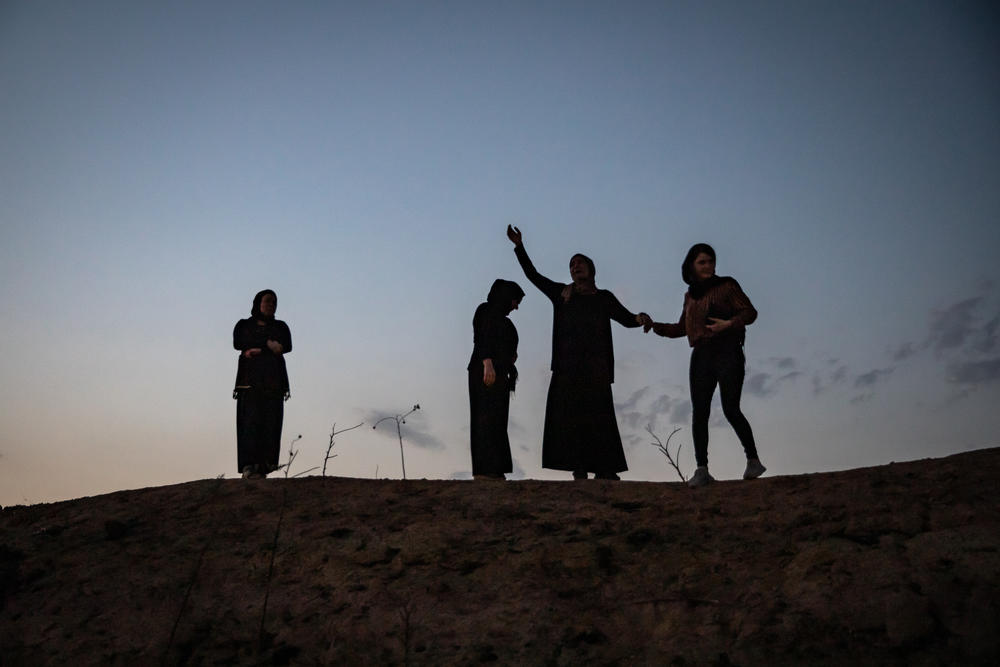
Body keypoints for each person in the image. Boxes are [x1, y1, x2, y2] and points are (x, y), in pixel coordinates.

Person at [507, 225, 652, 480]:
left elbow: (626, 317)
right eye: (572, 264)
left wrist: (641, 319)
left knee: (599, 418)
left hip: (596, 369)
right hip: (567, 368)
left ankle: (605, 470)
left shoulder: (603, 297)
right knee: (571, 419)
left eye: (580, 263)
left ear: (591, 269)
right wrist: (519, 247)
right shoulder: (562, 294)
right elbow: (534, 275)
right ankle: (580, 469)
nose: (575, 266)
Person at [644, 243, 765, 487]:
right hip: (701, 354)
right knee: (700, 412)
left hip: (728, 351)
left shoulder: (727, 285)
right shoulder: (690, 296)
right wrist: (655, 326)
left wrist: (729, 324)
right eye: (702, 262)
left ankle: (753, 460)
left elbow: (750, 312)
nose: (708, 266)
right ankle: (702, 470)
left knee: (731, 408)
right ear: (691, 266)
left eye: (710, 261)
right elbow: (682, 328)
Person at [468, 279, 526, 480]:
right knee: (484, 420)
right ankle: (484, 470)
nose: (516, 306)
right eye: (515, 301)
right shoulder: (485, 310)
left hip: (500, 375)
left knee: (498, 422)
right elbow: (481, 337)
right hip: (484, 372)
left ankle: (496, 468)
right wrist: (487, 363)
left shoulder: (507, 323)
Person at [233, 289, 292, 479]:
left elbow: (287, 345)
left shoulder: (281, 327)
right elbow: (238, 342)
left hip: (273, 383)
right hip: (249, 383)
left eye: (274, 302)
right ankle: (249, 467)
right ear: (258, 303)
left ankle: (264, 467)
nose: (271, 305)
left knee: (270, 423)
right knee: (250, 422)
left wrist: (257, 348)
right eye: (267, 301)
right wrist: (269, 345)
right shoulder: (244, 325)